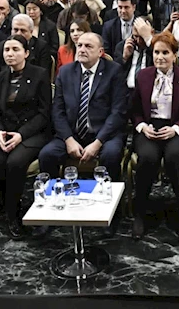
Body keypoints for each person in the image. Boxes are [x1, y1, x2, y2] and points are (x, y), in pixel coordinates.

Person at [38, 33, 128, 221]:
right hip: (72, 134)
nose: (82, 49)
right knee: (47, 155)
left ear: (101, 52)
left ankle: (112, 214)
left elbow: (118, 112)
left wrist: (98, 142)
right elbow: (58, 110)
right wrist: (68, 139)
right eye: (79, 45)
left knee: (110, 155)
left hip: (105, 134)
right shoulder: (65, 72)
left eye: (88, 46)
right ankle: (52, 209)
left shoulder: (114, 71)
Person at [130, 32, 179, 241]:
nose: (160, 57)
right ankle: (140, 212)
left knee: (174, 157)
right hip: (150, 128)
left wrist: (177, 129)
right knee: (148, 158)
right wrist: (142, 126)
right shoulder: (143, 75)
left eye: (165, 53)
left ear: (175, 55)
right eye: (156, 52)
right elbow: (133, 110)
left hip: (177, 128)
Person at [0, 34, 52, 239]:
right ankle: (5, 205)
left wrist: (21, 135)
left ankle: (13, 215)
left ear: (27, 53)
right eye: (6, 50)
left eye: (15, 50)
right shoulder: (0, 77)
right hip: (5, 131)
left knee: (15, 162)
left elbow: (44, 113)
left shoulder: (40, 75)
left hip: (33, 132)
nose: (10, 54)